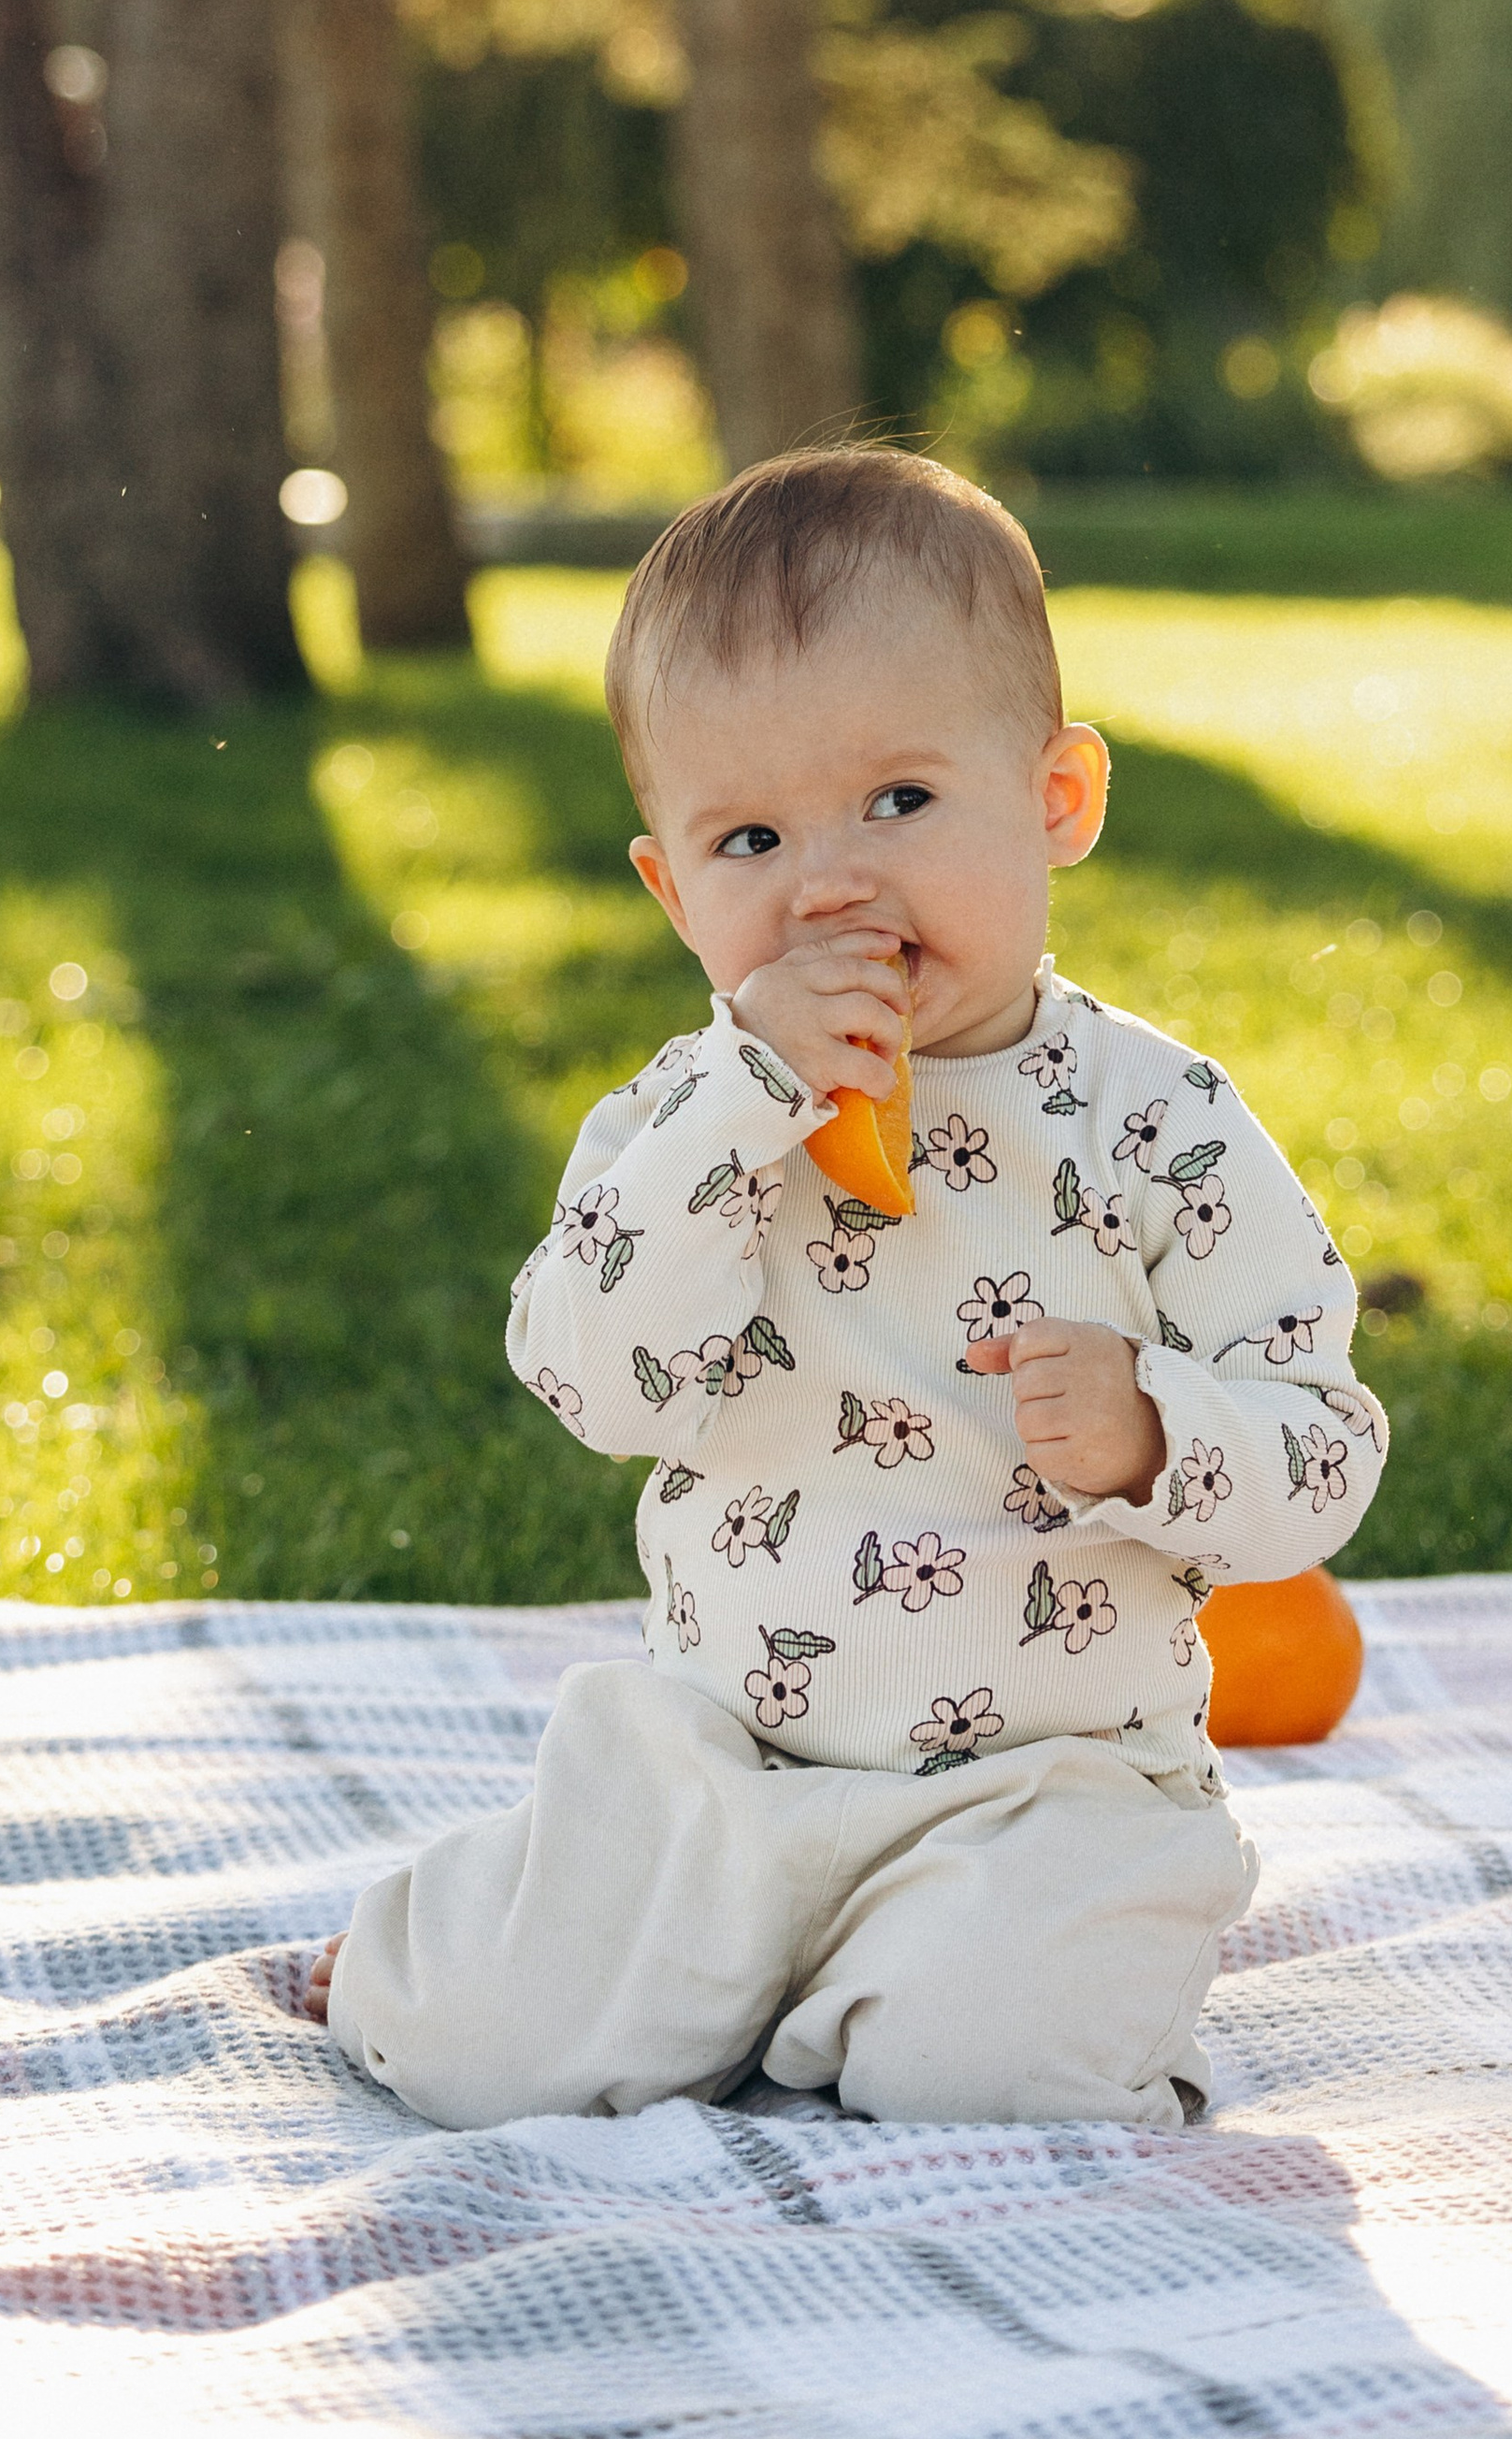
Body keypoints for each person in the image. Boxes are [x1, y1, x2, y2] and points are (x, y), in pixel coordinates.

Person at [308, 446, 1387, 2129]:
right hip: (726, 1769)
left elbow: (1324, 1446)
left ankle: (855, 2001)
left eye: (898, 801)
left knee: (989, 2071)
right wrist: (741, 1110)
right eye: (751, 834)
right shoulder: (682, 1122)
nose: (829, 885)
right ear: (674, 888)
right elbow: (597, 1378)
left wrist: (1155, 1430)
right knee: (478, 2051)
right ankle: (476, 1946)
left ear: (1056, 801)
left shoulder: (1155, 1122)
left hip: (1054, 1785)